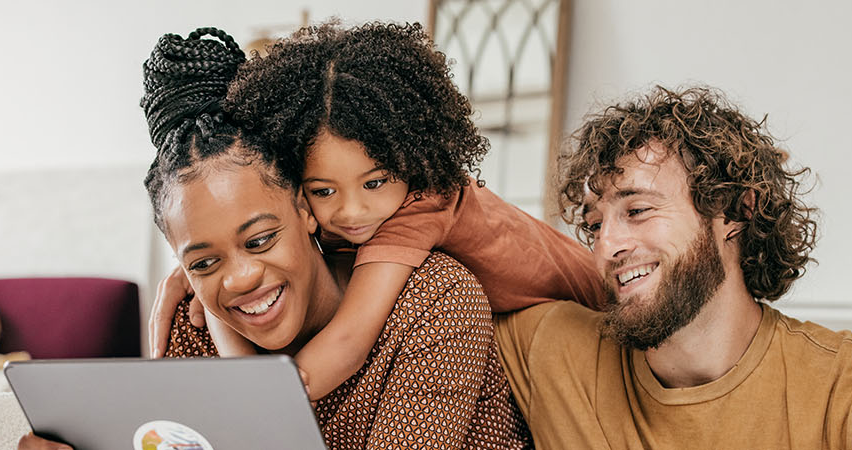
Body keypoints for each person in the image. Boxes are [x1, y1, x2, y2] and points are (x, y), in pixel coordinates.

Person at [19, 26, 531, 450]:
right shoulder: (194, 324)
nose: (240, 278)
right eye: (202, 262)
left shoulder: (433, 300)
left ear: (306, 210)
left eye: (260, 240)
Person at [148, 20, 608, 401]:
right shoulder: (362, 216)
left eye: (375, 182)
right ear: (299, 194)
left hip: (600, 307)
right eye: (322, 191)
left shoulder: (417, 209)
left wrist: (249, 403)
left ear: (411, 159)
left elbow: (347, 345)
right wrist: (201, 274)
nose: (351, 212)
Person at [495, 85, 852, 448]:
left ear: (735, 212)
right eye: (593, 226)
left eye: (639, 210)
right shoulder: (551, 350)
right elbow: (442, 211)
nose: (606, 246)